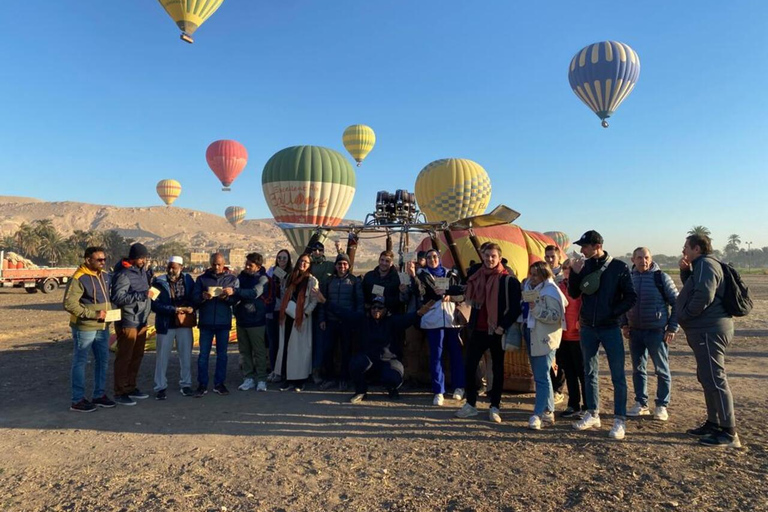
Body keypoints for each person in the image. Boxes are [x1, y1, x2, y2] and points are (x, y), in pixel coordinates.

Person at [568, 230, 637, 440]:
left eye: (585, 246)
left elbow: (631, 297)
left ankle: (619, 419)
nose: (581, 250)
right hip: (588, 327)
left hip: (610, 328)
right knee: (589, 372)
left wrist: (613, 313)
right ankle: (592, 413)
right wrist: (575, 273)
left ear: (597, 246)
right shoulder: (584, 266)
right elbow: (573, 294)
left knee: (618, 375)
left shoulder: (619, 267)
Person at [677, 234, 740, 448]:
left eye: (686, 246)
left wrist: (685, 314)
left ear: (696, 248)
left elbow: (704, 294)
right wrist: (686, 272)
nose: (683, 250)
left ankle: (729, 432)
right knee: (707, 377)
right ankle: (714, 423)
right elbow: (695, 288)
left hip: (709, 330)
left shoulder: (705, 264)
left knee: (715, 378)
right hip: (705, 330)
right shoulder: (701, 266)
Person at [316, 291, 432, 403]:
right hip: (368, 359)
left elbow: (409, 319)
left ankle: (392, 389)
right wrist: (325, 302)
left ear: (385, 310)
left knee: (395, 374)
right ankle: (361, 391)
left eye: (380, 308)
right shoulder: (362, 320)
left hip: (388, 360)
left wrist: (419, 313)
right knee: (355, 363)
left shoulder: (392, 321)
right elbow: (344, 313)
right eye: (373, 307)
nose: (376, 310)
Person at [456, 243, 522, 424]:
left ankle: (495, 406)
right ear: (482, 257)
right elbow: (464, 293)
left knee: (497, 368)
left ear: (499, 258)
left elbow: (515, 307)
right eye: (486, 256)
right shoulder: (476, 275)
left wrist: (502, 326)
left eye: (493, 256)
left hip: (496, 330)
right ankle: (470, 404)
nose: (490, 259)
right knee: (469, 366)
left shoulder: (508, 279)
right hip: (477, 329)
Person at [621, 247, 679, 421]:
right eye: (639, 258)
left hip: (656, 332)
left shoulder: (661, 278)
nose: (643, 261)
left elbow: (677, 303)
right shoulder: (628, 279)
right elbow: (623, 303)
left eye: (646, 257)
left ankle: (661, 405)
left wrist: (672, 328)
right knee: (638, 369)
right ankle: (641, 403)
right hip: (635, 332)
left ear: (651, 258)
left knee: (661, 369)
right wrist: (624, 324)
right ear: (633, 259)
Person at [63, 246, 115, 412]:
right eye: (99, 259)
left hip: (103, 327)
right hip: (85, 327)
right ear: (88, 260)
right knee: (80, 362)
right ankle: (77, 399)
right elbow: (69, 304)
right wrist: (93, 314)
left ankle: (99, 395)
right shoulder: (79, 278)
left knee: (103, 361)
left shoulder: (105, 276)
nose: (102, 262)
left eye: (104, 259)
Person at [416, 249, 465, 406]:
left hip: (451, 319)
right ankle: (439, 390)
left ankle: (459, 387)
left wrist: (449, 295)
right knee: (436, 355)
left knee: (456, 354)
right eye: (429, 257)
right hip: (433, 320)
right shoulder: (421, 276)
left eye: (435, 256)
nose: (432, 260)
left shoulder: (451, 274)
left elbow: (462, 293)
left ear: (440, 258)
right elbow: (420, 294)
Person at [523, 262, 568, 430]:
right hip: (532, 333)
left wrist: (536, 309)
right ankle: (549, 411)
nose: (532, 277)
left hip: (546, 338)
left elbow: (556, 316)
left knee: (542, 377)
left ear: (544, 275)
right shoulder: (529, 288)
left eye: (536, 274)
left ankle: (538, 413)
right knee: (542, 376)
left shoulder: (551, 292)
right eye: (531, 273)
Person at [111, 242, 153, 406]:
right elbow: (118, 297)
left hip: (141, 319)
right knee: (124, 357)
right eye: (142, 258)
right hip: (128, 320)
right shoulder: (124, 274)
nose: (144, 261)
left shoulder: (141, 272)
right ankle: (120, 391)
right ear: (135, 258)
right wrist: (141, 295)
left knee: (137, 356)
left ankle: (130, 386)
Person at [192, 252, 239, 397]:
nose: (216, 267)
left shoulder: (231, 280)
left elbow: (236, 300)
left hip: (223, 322)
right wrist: (203, 297)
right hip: (206, 323)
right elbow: (194, 299)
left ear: (224, 264)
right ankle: (202, 384)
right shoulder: (201, 279)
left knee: (222, 355)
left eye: (219, 264)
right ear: (210, 263)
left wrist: (228, 298)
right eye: (214, 264)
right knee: (203, 355)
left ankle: (219, 384)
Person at [151, 256, 196, 400]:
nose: (171, 270)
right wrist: (173, 310)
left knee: (186, 356)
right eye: (169, 267)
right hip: (165, 324)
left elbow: (194, 298)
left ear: (181, 267)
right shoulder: (158, 282)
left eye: (174, 267)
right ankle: (160, 387)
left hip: (184, 323)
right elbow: (154, 304)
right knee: (162, 357)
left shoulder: (189, 280)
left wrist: (191, 307)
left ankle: (186, 384)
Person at [318, 253, 363, 391]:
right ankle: (330, 378)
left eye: (344, 264)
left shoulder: (354, 281)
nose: (342, 266)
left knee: (346, 351)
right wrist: (322, 318)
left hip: (347, 322)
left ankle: (344, 378)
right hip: (331, 321)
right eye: (339, 264)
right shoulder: (329, 281)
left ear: (348, 266)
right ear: (335, 266)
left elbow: (359, 302)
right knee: (327, 350)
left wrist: (357, 319)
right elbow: (322, 301)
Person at [275, 254, 319, 392]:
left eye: (306, 262)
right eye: (301, 261)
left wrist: (305, 313)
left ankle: (299, 380)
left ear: (309, 265)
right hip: (287, 317)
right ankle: (288, 379)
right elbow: (283, 293)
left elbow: (314, 300)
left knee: (299, 351)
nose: (302, 264)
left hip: (301, 318)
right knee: (287, 348)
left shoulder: (312, 280)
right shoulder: (290, 277)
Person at [234, 253, 272, 392]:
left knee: (259, 351)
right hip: (241, 319)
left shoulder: (263, 279)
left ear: (258, 266)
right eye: (247, 264)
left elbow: (254, 293)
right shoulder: (240, 278)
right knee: (244, 351)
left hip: (257, 320)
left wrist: (236, 292)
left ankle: (262, 379)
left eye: (251, 265)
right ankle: (248, 378)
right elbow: (236, 295)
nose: (247, 267)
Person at [557, 259, 586, 418]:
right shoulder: (560, 286)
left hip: (579, 335)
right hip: (563, 334)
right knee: (569, 372)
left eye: (570, 268)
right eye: (565, 268)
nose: (567, 270)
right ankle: (573, 404)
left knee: (583, 373)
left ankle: (588, 406)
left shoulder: (583, 287)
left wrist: (582, 319)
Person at [308, 241, 336, 384]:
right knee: (307, 341)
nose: (317, 252)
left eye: (320, 249)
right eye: (315, 250)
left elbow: (343, 264)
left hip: (323, 306)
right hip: (307, 306)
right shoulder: (308, 265)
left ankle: (317, 370)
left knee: (320, 342)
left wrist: (341, 250)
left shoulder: (330, 265)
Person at [544, 245, 567, 404]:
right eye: (547, 257)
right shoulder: (543, 275)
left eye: (553, 256)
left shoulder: (564, 276)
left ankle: (558, 389)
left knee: (561, 359)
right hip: (547, 322)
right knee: (548, 357)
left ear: (559, 257)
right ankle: (551, 387)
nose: (550, 259)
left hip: (563, 322)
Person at [266, 250, 292, 382]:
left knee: (285, 342)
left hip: (286, 311)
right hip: (272, 309)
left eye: (284, 258)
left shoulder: (292, 274)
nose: (282, 260)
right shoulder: (271, 271)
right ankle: (273, 370)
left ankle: (284, 370)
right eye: (279, 257)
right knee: (273, 342)